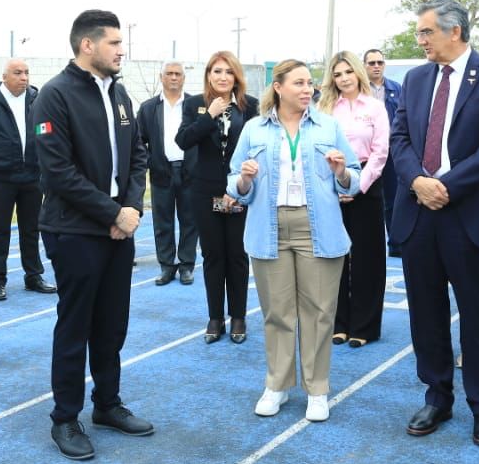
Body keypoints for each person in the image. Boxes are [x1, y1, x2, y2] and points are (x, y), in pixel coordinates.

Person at [391, 0, 479, 446]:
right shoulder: (415, 78)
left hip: (469, 213)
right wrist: (418, 181)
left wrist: (444, 185)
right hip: (419, 210)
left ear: (455, 31)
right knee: (426, 312)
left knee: (477, 313)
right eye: (419, 33)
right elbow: (400, 138)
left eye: (426, 32)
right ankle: (437, 396)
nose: (420, 40)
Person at [31, 10, 152, 461]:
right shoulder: (55, 95)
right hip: (74, 230)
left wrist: (131, 208)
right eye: (114, 43)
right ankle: (65, 418)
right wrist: (112, 213)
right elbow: (57, 172)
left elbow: (138, 156)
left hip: (118, 228)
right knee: (75, 326)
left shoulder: (119, 93)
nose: (122, 50)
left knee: (112, 324)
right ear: (87, 45)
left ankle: (107, 404)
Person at [229, 59, 360, 422]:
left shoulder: (328, 126)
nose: (308, 89)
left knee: (319, 312)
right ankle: (277, 385)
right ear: (278, 87)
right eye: (299, 83)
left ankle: (317, 390)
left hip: (318, 226)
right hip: (268, 227)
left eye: (310, 83)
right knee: (277, 313)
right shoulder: (254, 129)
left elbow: (354, 179)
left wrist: (341, 172)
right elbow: (235, 184)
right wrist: (244, 179)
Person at [175, 51, 257, 344]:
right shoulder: (195, 104)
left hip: (238, 192)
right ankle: (215, 317)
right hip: (204, 192)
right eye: (217, 71)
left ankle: (238, 316)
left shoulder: (250, 106)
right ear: (208, 75)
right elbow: (183, 140)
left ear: (237, 76)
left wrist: (237, 188)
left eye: (228, 72)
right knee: (212, 255)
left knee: (237, 255)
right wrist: (209, 115)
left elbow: (257, 148)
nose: (223, 77)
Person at [0, 57, 56, 301]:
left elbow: (47, 130)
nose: (24, 77)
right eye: (17, 73)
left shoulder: (38, 101)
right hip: (1, 178)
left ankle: (33, 276)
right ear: (4, 76)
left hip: (32, 176)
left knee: (32, 228)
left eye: (26, 72)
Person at [319, 51, 389, 347]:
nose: (344, 78)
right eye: (337, 74)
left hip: (367, 183)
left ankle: (365, 326)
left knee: (367, 259)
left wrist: (357, 185)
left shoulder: (375, 107)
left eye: (348, 72)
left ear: (358, 72)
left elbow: (380, 152)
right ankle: (339, 323)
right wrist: (338, 185)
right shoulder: (324, 108)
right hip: (331, 185)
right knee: (334, 257)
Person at [136, 61, 198, 286]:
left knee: (190, 220)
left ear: (183, 78)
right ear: (161, 77)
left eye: (178, 74)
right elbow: (138, 141)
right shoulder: (148, 108)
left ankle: (187, 265)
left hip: (189, 172)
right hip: (161, 172)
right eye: (169, 73)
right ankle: (167, 266)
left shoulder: (196, 105)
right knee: (162, 222)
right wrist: (150, 161)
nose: (173, 77)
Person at [363, 48, 403, 257]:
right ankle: (367, 245)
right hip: (365, 154)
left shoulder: (396, 88)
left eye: (380, 62)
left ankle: (395, 244)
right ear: (364, 66)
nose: (376, 66)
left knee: (393, 199)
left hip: (391, 152)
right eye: (372, 63)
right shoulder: (358, 90)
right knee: (367, 199)